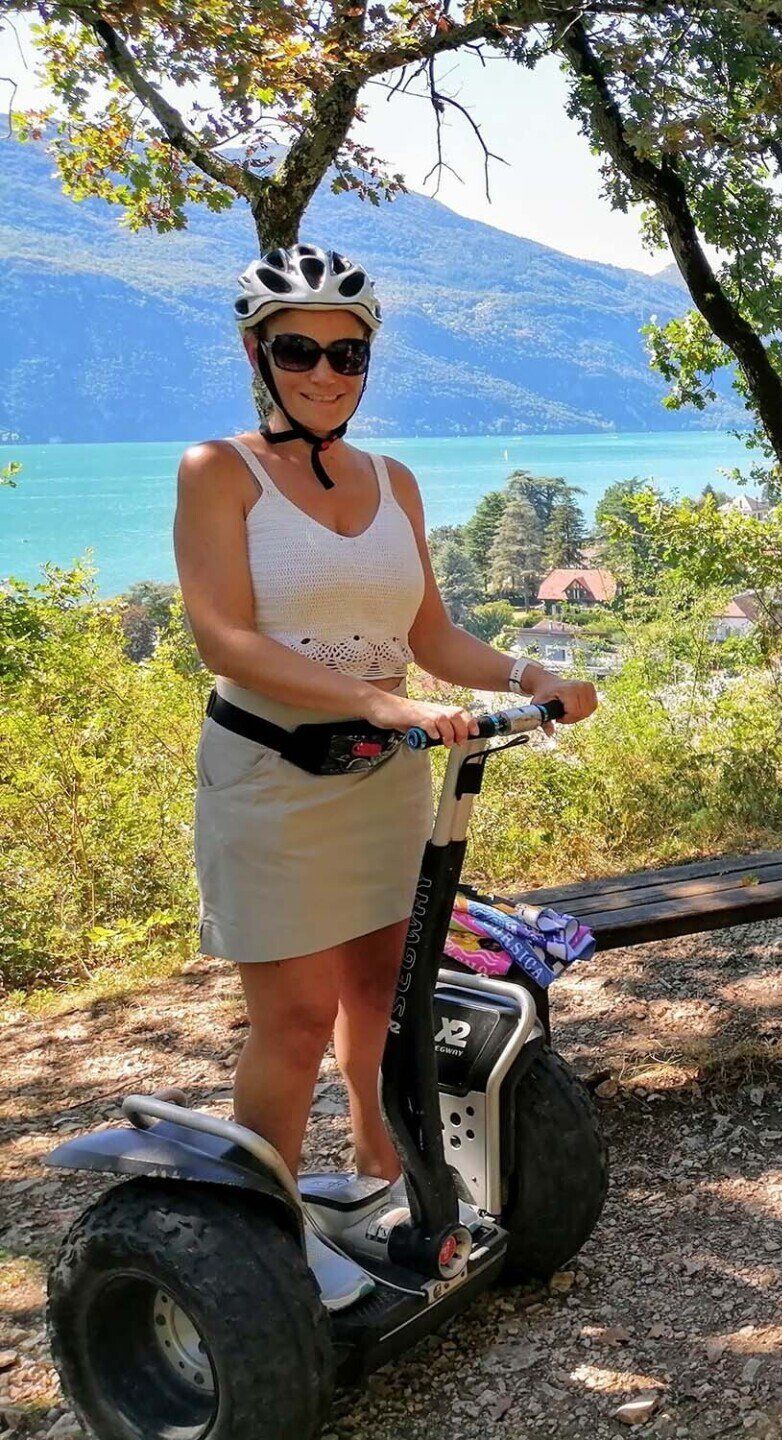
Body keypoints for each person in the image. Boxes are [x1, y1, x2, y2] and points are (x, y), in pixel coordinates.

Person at [175, 244, 599, 1180]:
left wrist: (532, 674)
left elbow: (433, 637)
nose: (325, 374)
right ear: (257, 356)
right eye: (298, 351)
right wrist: (385, 701)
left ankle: (384, 1180)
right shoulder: (218, 471)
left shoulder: (393, 480)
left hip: (385, 779)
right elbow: (227, 642)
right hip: (272, 778)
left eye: (347, 354)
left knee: (380, 999)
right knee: (291, 1024)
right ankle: (263, 1241)